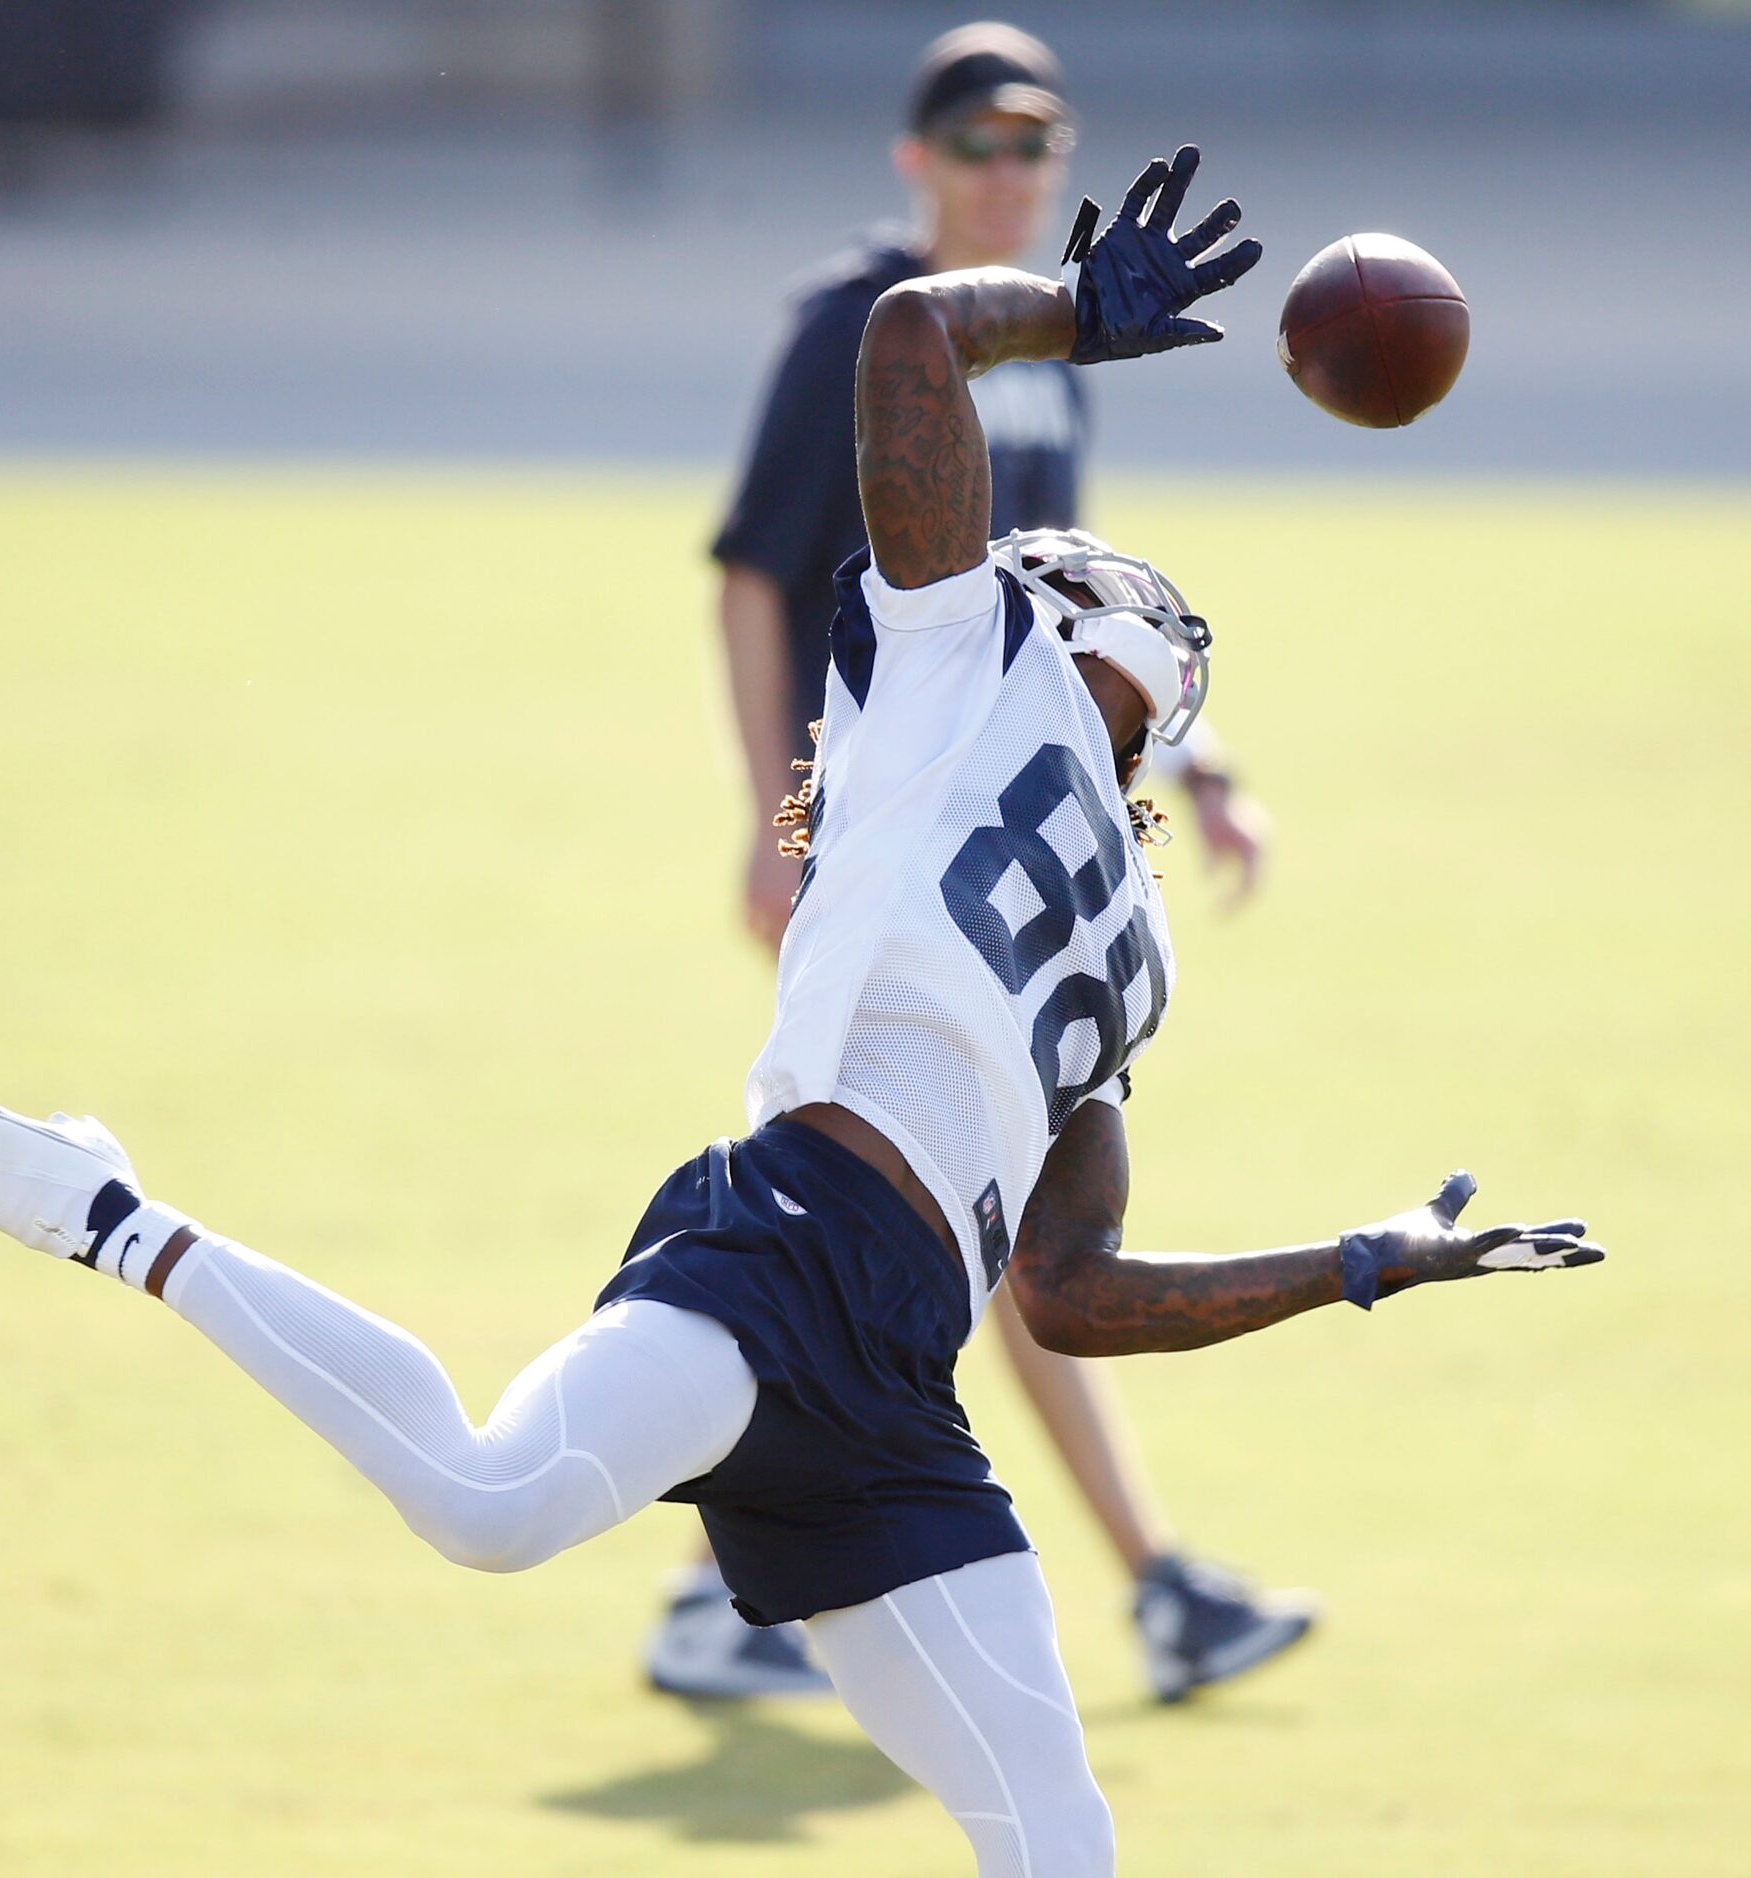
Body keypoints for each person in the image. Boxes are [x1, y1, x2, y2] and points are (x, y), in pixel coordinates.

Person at [0, 144, 1604, 1878]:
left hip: (900, 1382)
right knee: (489, 1506)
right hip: (778, 1249)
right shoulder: (961, 659)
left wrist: (1349, 1265)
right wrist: (1069, 314)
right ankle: (105, 1207)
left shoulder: (1133, 941)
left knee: (1058, 1840)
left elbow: (1065, 1293)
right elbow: (910, 337)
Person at [674, 19, 1285, 1704]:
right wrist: (769, 818)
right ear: (916, 161)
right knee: (970, 1213)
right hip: (862, 839)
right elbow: (749, 580)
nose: (1011, 174)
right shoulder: (853, 335)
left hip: (982, 871)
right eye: (980, 146)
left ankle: (719, 1582)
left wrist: (1198, 761)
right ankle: (1152, 1581)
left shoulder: (1058, 348)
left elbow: (1068, 611)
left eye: (1036, 147)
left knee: (893, 1212)